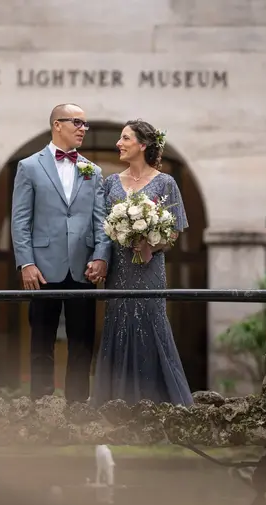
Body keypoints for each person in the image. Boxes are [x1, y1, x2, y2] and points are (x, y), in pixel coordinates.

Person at [11, 103, 110, 403]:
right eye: (77, 123)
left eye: (85, 124)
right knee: (41, 341)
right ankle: (42, 408)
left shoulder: (93, 171)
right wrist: (26, 262)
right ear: (57, 125)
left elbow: (102, 222)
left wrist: (101, 256)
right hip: (41, 269)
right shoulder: (29, 167)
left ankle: (77, 409)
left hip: (83, 269)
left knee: (82, 343)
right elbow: (20, 220)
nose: (83, 129)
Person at [90, 119, 194, 407]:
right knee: (118, 325)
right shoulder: (110, 183)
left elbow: (172, 233)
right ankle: (114, 403)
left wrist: (151, 244)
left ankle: (159, 403)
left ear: (142, 145)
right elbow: (101, 228)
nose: (119, 144)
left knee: (151, 324)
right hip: (119, 271)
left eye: (125, 138)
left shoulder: (166, 182)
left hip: (150, 270)